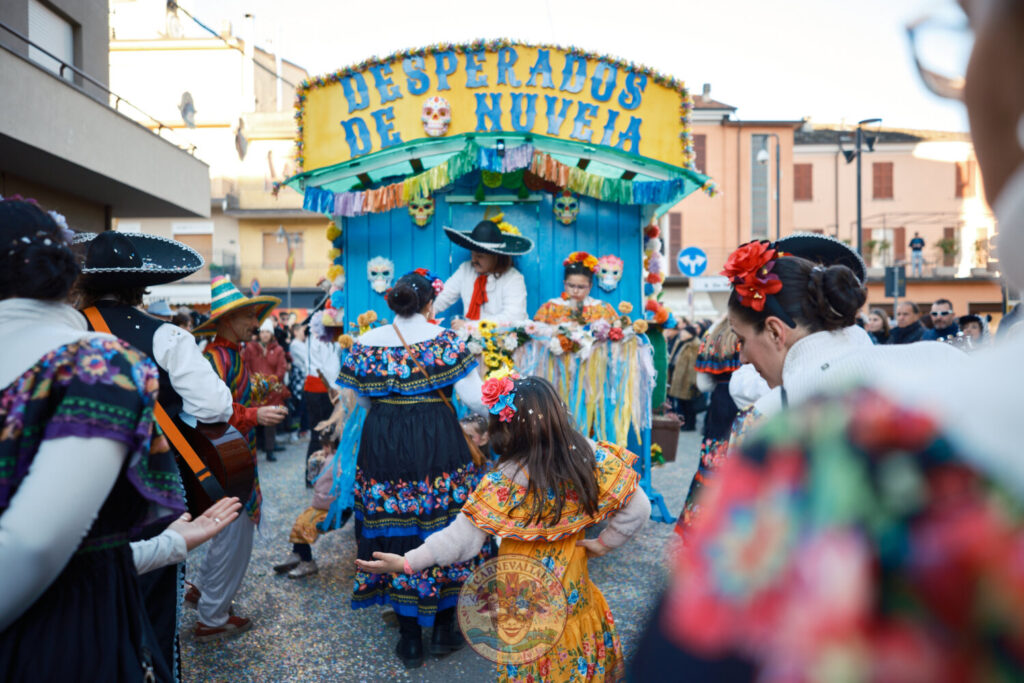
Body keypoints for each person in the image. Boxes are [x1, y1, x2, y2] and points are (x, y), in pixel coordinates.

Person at [0, 197, 240, 680]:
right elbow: (216, 407)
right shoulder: (148, 344)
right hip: (126, 522)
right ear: (141, 288)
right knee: (152, 613)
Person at [356, 375, 651, 682]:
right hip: (573, 596)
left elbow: (461, 538)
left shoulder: (503, 481)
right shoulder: (587, 456)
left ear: (509, 429)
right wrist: (604, 543)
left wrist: (407, 562)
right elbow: (638, 507)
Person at [73, 229, 239, 672]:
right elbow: (214, 407)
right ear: (141, 289)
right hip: (149, 483)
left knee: (78, 600)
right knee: (153, 604)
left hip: (71, 482)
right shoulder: (166, 336)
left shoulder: (60, 331)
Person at [338, 269, 494, 669]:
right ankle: (443, 629)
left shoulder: (366, 343)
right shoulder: (445, 341)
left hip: (384, 441)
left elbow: (363, 401)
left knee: (392, 522)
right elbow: (475, 399)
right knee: (445, 519)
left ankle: (409, 638)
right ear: (429, 303)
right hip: (436, 439)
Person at [186, 276, 287, 641]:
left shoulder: (229, 355)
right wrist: (254, 414)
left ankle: (203, 591)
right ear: (228, 320)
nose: (255, 322)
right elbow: (209, 413)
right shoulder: (217, 358)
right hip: (226, 459)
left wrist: (261, 393)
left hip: (233, 455)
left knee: (227, 529)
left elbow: (230, 397)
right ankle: (213, 617)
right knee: (234, 533)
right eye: (248, 315)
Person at [676, 317, 741, 535]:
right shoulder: (758, 329)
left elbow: (703, 385)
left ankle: (700, 528)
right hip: (753, 404)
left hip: (721, 403)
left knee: (714, 463)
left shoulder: (713, 334)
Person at [271, 433, 344, 579]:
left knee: (304, 525)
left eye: (324, 446)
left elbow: (315, 481)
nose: (322, 449)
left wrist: (314, 465)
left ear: (329, 445)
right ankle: (297, 553)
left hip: (328, 509)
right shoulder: (331, 459)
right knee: (300, 521)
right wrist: (315, 463)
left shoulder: (336, 462)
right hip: (321, 506)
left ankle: (307, 561)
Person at [432, 219, 532, 323]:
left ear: (496, 256)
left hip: (501, 334)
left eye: (480, 256)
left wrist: (470, 326)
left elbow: (514, 316)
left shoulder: (513, 278)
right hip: (467, 332)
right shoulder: (466, 269)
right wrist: (425, 313)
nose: (474, 260)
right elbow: (444, 296)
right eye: (472, 254)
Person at [289, 317, 340, 485]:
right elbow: (330, 368)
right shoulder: (322, 339)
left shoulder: (314, 337)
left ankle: (312, 476)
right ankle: (318, 476)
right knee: (324, 434)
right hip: (323, 390)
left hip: (315, 389)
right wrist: (337, 391)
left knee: (318, 434)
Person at [244, 318, 289, 462]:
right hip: (255, 390)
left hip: (272, 391)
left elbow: (281, 369)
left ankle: (270, 450)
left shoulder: (278, 349)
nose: (264, 334)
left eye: (267, 332)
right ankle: (253, 450)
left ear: (271, 334)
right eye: (262, 332)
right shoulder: (250, 348)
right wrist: (255, 382)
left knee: (271, 421)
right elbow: (246, 366)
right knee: (253, 420)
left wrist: (269, 383)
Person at [533, 251, 618, 325]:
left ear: (590, 286)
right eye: (571, 286)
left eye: (581, 287)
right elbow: (535, 333)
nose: (575, 291)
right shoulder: (550, 307)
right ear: (564, 284)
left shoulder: (603, 308)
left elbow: (618, 332)